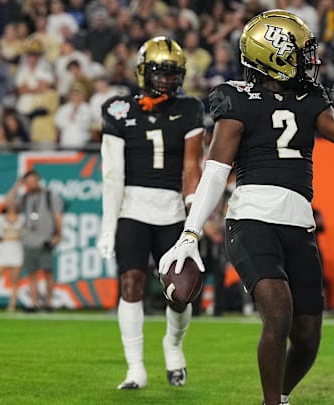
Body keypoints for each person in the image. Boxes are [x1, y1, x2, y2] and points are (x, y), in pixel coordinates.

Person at [158, 10, 334, 405]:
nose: (309, 60)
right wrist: (190, 233)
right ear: (272, 56)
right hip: (251, 221)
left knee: (309, 336)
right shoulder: (236, 97)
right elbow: (214, 170)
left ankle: (280, 396)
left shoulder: (311, 98)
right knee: (278, 311)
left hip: (299, 225)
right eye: (300, 52)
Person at [96, 36, 205, 390]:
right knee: (131, 283)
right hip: (132, 207)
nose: (166, 79)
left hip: (172, 209)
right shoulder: (118, 108)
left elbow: (192, 166)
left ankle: (173, 348)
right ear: (143, 72)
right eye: (160, 71)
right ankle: (135, 369)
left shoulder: (189, 109)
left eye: (173, 72)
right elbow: (112, 174)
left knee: (180, 291)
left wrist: (194, 218)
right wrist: (109, 225)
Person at [5, 169, 63, 313]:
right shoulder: (25, 197)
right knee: (32, 273)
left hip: (46, 239)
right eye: (28, 182)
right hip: (29, 240)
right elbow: (9, 204)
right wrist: (17, 186)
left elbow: (58, 216)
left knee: (48, 272)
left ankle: (49, 303)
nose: (32, 184)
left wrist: (58, 235)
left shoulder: (50, 196)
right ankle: (34, 303)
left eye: (34, 181)